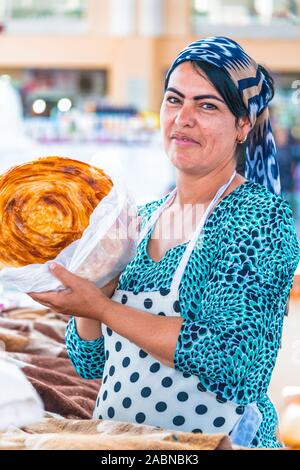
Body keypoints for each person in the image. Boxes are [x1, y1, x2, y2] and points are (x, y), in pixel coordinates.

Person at [29, 36, 300, 448]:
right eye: (175, 100)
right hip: (122, 445)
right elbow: (89, 363)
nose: (184, 118)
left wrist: (102, 306)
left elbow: (231, 360)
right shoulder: (139, 219)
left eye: (207, 105)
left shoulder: (259, 218)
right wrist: (90, 297)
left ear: (243, 124)